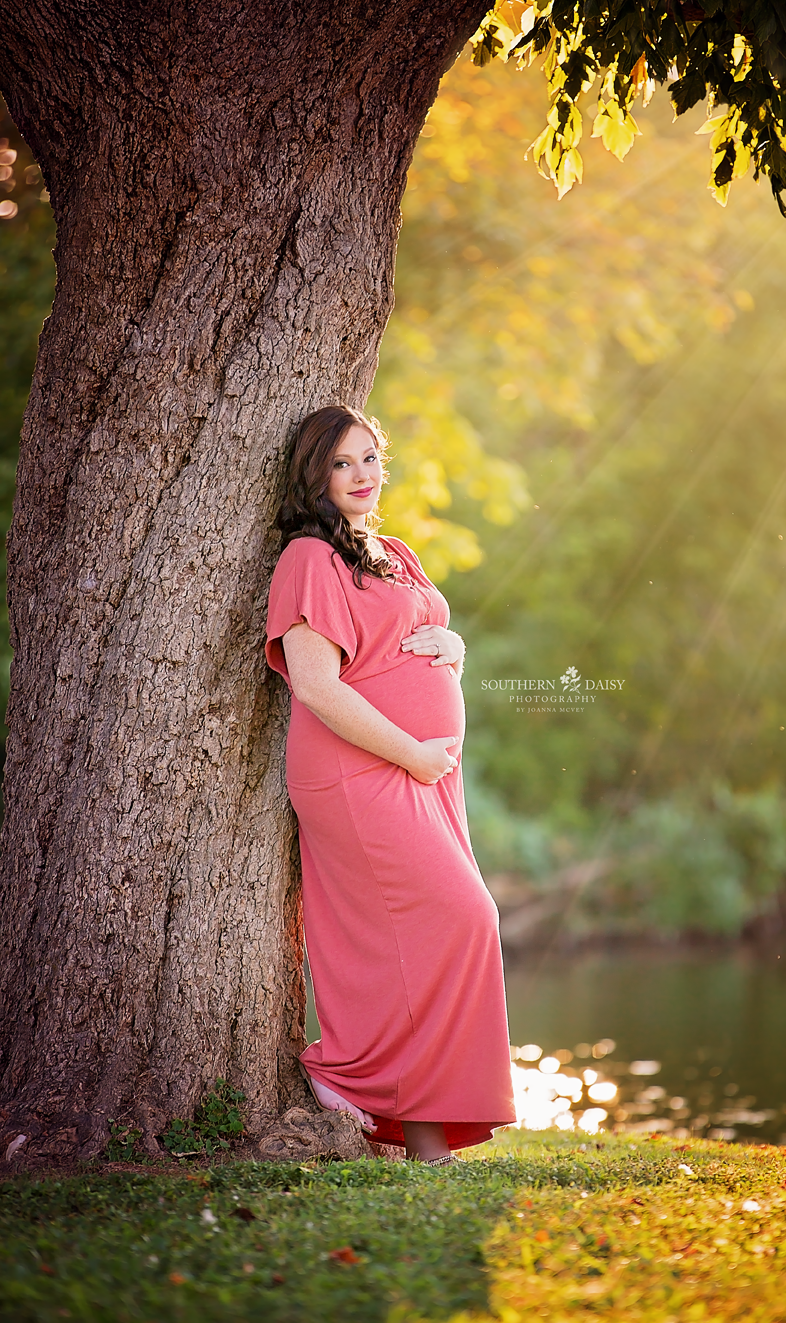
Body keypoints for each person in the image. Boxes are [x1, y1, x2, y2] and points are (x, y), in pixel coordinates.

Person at [265, 404, 515, 1164]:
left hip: (423, 772)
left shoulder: (393, 551)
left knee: (426, 943)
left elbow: (422, 637)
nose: (361, 476)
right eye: (341, 463)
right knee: (464, 919)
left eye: (370, 458)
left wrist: (456, 645)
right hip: (358, 770)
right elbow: (317, 686)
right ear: (315, 476)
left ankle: (427, 1146)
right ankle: (347, 1075)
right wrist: (410, 752)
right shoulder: (308, 558)